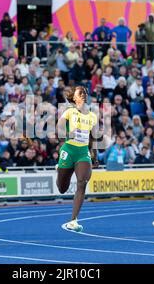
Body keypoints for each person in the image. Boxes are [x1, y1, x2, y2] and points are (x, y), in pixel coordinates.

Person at [56, 86, 98, 232]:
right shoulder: (69, 112)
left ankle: (73, 220)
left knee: (82, 182)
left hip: (82, 152)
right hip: (69, 149)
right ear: (74, 97)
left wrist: (95, 155)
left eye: (85, 92)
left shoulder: (92, 116)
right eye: (80, 93)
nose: (84, 94)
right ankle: (59, 169)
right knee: (62, 188)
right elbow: (59, 128)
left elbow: (93, 137)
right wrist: (67, 135)